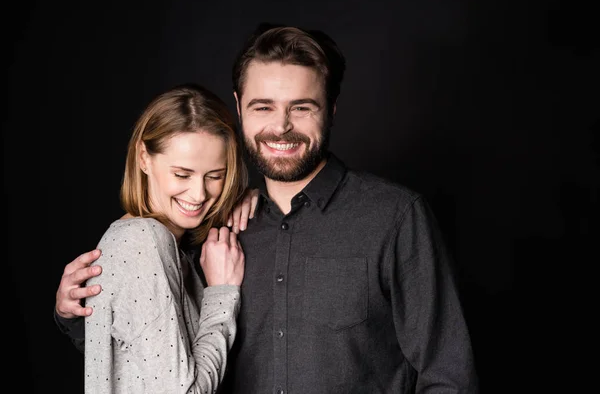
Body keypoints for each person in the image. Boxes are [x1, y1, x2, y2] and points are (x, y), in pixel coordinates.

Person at [55, 24, 479, 393]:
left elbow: (449, 376)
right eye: (264, 107)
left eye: (301, 107)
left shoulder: (395, 218)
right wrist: (78, 312)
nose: (281, 127)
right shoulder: (211, 230)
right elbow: (152, 352)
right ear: (239, 107)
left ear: (330, 109)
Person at [76, 82, 252, 393]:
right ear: (144, 157)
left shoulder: (163, 244)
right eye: (182, 174)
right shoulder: (142, 241)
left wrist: (255, 200)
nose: (199, 194)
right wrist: (222, 293)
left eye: (215, 176)